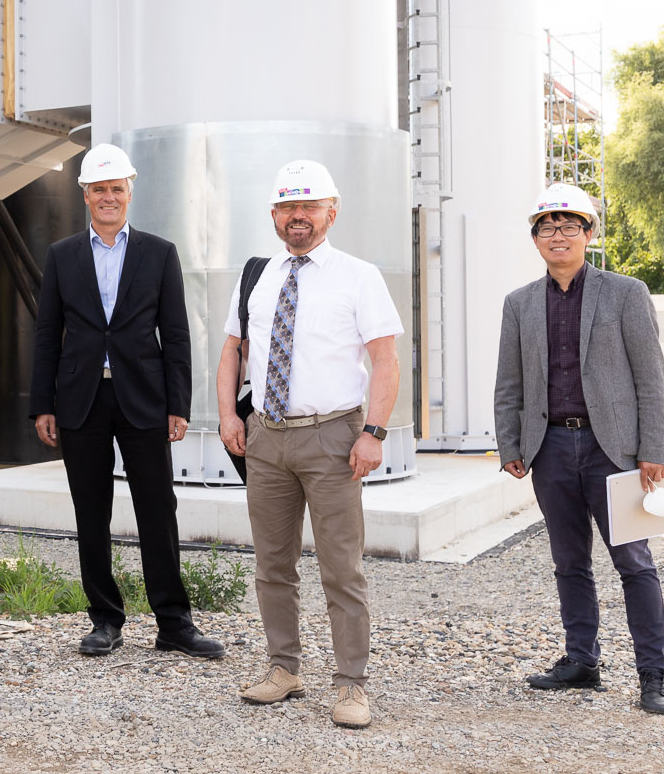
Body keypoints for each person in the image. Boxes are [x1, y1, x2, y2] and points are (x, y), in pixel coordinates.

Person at [214, 159, 401, 729]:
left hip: (334, 436)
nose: (298, 216)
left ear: (330, 212)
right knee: (273, 564)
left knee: (341, 568)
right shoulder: (259, 275)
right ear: (274, 215)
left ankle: (351, 684)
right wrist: (228, 416)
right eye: (288, 207)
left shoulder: (358, 275)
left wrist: (373, 433)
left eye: (309, 206)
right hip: (267, 437)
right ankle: (284, 668)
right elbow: (231, 351)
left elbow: (386, 359)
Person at [30, 144, 225, 662]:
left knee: (158, 509)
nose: (109, 197)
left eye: (117, 188)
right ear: (86, 195)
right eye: (99, 189)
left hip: (144, 398)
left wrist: (178, 403)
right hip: (81, 399)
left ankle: (173, 622)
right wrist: (41, 404)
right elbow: (48, 334)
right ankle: (104, 620)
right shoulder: (62, 255)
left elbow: (177, 333)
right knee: (90, 511)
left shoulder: (159, 253)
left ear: (130, 192)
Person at [494, 183, 664, 715]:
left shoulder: (626, 293)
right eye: (547, 227)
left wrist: (654, 447)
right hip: (549, 448)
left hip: (614, 450)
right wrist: (511, 441)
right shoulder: (520, 303)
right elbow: (510, 381)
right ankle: (582, 662)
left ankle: (654, 673)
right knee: (569, 562)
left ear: (589, 234)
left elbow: (650, 378)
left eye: (570, 226)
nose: (558, 235)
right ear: (535, 239)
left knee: (635, 563)